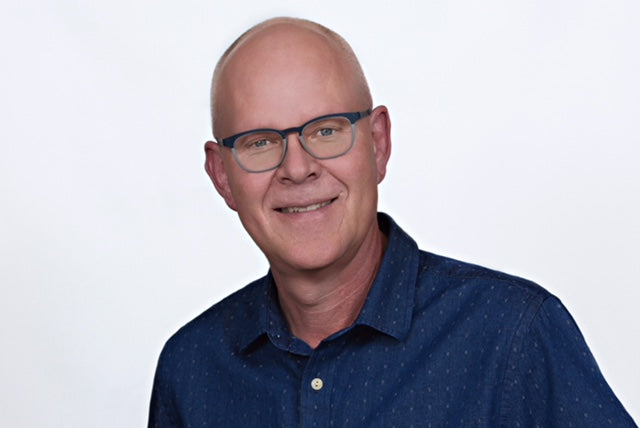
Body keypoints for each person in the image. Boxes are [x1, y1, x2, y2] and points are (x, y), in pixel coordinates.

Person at [149, 17, 636, 427]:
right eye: (259, 142)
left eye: (326, 130)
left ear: (378, 143)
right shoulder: (191, 369)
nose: (297, 169)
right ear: (222, 176)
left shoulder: (513, 336)